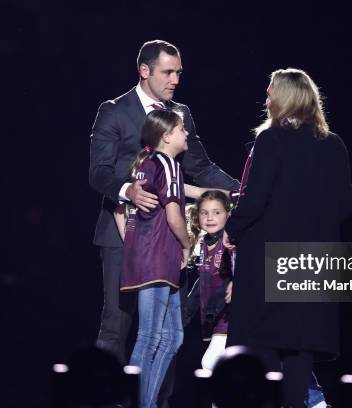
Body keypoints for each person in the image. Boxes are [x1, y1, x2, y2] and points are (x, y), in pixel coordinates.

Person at [88, 39, 239, 387]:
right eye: (167, 72)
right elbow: (99, 172)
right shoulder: (113, 110)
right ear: (145, 71)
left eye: (179, 73)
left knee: (165, 332)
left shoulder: (181, 114)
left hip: (165, 240)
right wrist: (129, 191)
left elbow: (202, 168)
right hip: (121, 232)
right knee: (117, 324)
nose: (175, 79)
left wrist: (242, 190)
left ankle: (156, 399)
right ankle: (102, 397)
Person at [223, 68, 352, 408]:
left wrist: (232, 231)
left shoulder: (272, 139)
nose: (266, 100)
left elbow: (255, 198)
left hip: (268, 259)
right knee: (299, 349)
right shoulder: (335, 144)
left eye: (270, 94)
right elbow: (346, 203)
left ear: (283, 98)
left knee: (263, 344)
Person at [119, 109, 189, 408]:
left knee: (173, 336)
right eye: (182, 128)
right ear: (167, 135)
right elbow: (174, 216)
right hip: (159, 259)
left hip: (147, 260)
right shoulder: (169, 164)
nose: (186, 133)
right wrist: (187, 244)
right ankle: (134, 402)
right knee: (149, 336)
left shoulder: (145, 165)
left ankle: (146, 404)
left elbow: (120, 211)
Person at [185, 190, 234, 371]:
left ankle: (314, 398)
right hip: (215, 322)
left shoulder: (231, 241)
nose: (210, 217)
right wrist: (187, 312)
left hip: (230, 319)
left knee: (210, 364)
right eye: (205, 213)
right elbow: (202, 283)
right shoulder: (204, 243)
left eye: (217, 212)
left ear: (228, 215)